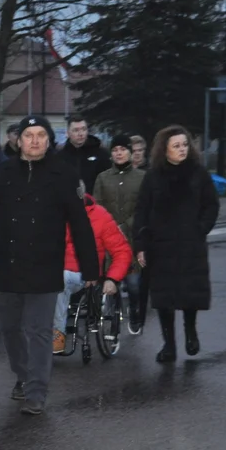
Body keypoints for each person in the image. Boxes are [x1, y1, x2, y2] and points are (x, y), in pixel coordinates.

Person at [0, 115, 98, 415]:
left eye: (40, 135)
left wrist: (91, 268)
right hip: (8, 264)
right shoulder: (3, 172)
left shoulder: (63, 174)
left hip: (45, 265)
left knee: (39, 330)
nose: (34, 140)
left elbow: (80, 224)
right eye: (28, 135)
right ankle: (23, 374)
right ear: (19, 140)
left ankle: (36, 391)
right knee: (9, 328)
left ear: (48, 140)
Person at [133, 125, 219, 363]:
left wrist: (200, 229)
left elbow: (211, 205)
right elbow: (141, 210)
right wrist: (140, 244)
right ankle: (168, 344)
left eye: (185, 145)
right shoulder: (153, 176)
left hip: (190, 243)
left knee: (190, 293)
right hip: (160, 244)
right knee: (163, 297)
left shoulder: (199, 173)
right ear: (165, 149)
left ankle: (190, 332)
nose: (182, 149)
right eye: (176, 146)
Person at [52, 182, 133, 353]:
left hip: (82, 273)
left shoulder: (101, 217)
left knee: (59, 280)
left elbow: (122, 251)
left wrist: (112, 278)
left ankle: (57, 333)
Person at [93, 134, 147, 334]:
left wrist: (126, 226)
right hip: (109, 241)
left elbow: (144, 207)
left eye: (123, 149)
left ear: (130, 153)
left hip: (132, 241)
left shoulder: (141, 177)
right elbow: (97, 206)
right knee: (110, 283)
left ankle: (134, 311)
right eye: (115, 150)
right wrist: (110, 227)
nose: (119, 153)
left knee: (133, 284)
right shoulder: (103, 178)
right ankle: (112, 322)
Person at [58, 115, 110, 191]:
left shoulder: (101, 154)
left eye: (83, 129)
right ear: (68, 133)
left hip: (95, 200)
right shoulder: (60, 157)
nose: (80, 133)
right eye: (76, 130)